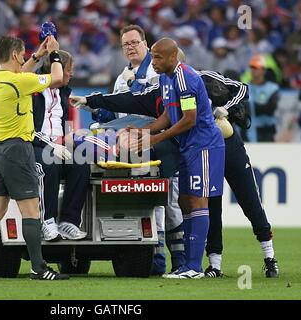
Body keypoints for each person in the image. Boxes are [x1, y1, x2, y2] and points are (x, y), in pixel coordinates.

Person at [71, 38, 226, 279]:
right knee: (185, 201)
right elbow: (167, 114)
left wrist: (155, 139)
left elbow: (189, 119)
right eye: (152, 56)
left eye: (158, 57)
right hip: (188, 147)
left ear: (173, 57)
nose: (152, 62)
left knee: (197, 202)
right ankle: (187, 265)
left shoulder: (185, 78)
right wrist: (146, 130)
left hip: (203, 146)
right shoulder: (166, 79)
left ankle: (195, 267)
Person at [0, 35, 68, 281]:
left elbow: (19, 76)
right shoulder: (20, 82)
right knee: (31, 210)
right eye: (22, 55)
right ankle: (38, 268)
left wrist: (36, 56)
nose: (24, 59)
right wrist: (53, 54)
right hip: (18, 150)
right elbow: (58, 78)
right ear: (14, 55)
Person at [88, 24, 185, 275]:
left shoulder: (158, 72)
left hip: (162, 143)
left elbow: (153, 106)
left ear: (146, 44)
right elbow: (118, 110)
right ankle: (156, 261)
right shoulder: (122, 77)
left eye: (134, 42)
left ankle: (181, 262)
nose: (130, 47)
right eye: (126, 44)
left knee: (169, 201)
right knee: (146, 202)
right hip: (132, 146)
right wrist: (96, 109)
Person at [176, 48, 279, 278]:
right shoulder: (170, 87)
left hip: (228, 144)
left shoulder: (202, 77)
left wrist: (226, 109)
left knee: (250, 200)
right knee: (211, 206)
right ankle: (215, 265)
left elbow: (242, 88)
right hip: (204, 150)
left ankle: (269, 257)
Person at [33, 50, 89, 241]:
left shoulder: (64, 93)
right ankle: (47, 221)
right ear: (55, 69)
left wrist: (70, 136)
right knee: (50, 164)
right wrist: (50, 145)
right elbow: (27, 129)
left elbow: (63, 123)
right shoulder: (33, 91)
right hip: (33, 145)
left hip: (57, 145)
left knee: (81, 164)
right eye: (68, 70)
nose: (71, 73)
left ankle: (69, 222)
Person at [244, 54, 279, 142]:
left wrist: (250, 106)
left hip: (266, 132)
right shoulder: (244, 87)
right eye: (252, 67)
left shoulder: (272, 88)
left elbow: (270, 108)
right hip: (247, 131)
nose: (253, 70)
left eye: (256, 67)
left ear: (263, 70)